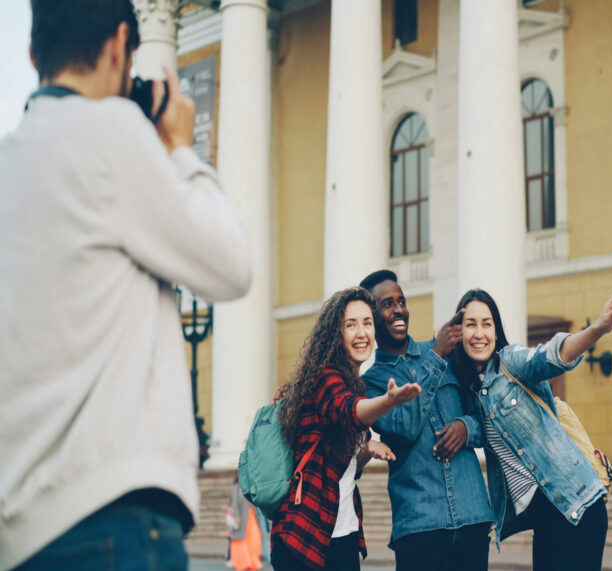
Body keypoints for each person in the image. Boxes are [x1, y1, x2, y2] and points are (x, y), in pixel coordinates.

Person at [0, 1, 252, 569]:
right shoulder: (112, 133)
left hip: (22, 531)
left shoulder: (9, 161)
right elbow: (231, 265)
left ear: (35, 54)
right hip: (113, 517)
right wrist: (181, 148)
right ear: (119, 45)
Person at [450, 285, 612, 571]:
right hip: (547, 518)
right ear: (459, 332)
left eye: (486, 324)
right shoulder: (470, 390)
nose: (479, 333)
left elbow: (553, 356)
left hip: (577, 505)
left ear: (496, 331)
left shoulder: (512, 363)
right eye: (470, 325)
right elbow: (479, 426)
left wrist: (598, 328)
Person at [270, 287, 421, 570]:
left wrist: (367, 449)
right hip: (305, 534)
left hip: (342, 532)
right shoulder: (325, 377)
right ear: (335, 333)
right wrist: (388, 401)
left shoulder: (351, 382)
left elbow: (344, 466)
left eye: (367, 323)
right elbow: (347, 409)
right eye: (350, 325)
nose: (361, 333)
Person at [360, 270, 495, 571]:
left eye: (401, 301)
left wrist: (466, 427)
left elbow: (486, 418)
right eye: (387, 304)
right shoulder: (371, 385)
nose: (399, 310)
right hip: (419, 527)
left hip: (472, 516)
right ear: (371, 318)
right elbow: (405, 428)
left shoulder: (449, 355)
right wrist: (435, 356)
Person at [228, 478, 263, 571]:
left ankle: (251, 560)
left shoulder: (250, 483)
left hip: (251, 515)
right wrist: (236, 515)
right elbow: (235, 502)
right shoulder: (237, 485)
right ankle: (242, 562)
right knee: (240, 539)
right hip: (242, 516)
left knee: (254, 538)